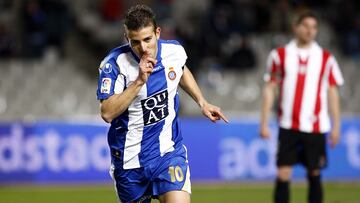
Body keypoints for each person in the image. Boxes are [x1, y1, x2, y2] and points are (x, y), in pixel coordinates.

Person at [96, 4, 228, 203]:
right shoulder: (114, 65)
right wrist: (139, 82)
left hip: (168, 152)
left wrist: (202, 102)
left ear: (157, 33)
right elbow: (107, 113)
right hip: (129, 162)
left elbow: (181, 70)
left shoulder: (173, 51)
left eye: (148, 39)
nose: (143, 48)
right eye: (136, 42)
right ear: (127, 38)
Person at [260, 11, 344, 203]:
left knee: (314, 174)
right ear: (295, 27)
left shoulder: (326, 58)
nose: (310, 31)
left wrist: (336, 126)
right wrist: (263, 122)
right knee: (283, 173)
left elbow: (332, 92)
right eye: (306, 26)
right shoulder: (279, 55)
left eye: (314, 27)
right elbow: (270, 88)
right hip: (288, 125)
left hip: (315, 126)